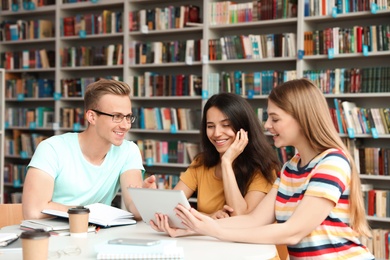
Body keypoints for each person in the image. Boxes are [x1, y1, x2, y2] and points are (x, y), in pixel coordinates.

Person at [151, 79, 374, 259]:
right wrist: (192, 227)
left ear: (302, 119)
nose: (266, 125)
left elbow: (292, 232)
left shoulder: (332, 162)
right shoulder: (291, 168)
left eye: (275, 119)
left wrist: (215, 230)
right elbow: (252, 220)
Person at [22, 79, 156, 220]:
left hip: (96, 236)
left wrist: (145, 200)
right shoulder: (51, 149)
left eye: (128, 117)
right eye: (117, 117)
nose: (125, 125)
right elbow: (33, 212)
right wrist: (87, 213)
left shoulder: (129, 151)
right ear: (92, 117)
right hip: (52, 236)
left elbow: (134, 209)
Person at [156, 92, 280, 220]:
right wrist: (209, 217)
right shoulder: (201, 162)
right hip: (205, 238)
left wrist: (226, 162)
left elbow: (240, 218)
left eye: (226, 125)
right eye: (210, 126)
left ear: (244, 127)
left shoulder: (264, 168)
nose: (216, 133)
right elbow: (170, 207)